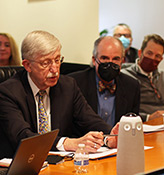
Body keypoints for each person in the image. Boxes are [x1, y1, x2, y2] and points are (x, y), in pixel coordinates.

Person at [0, 30, 118, 159]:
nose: (55, 70)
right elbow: (23, 137)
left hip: (60, 164)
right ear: (27, 65)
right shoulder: (8, 92)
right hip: (23, 163)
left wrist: (109, 136)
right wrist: (68, 143)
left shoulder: (67, 85)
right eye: (46, 63)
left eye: (57, 60)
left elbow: (89, 120)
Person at [69, 36, 140, 126]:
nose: (110, 63)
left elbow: (132, 124)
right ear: (94, 60)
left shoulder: (132, 86)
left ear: (122, 61)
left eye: (115, 59)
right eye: (104, 58)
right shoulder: (74, 84)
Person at [122, 34, 164, 121]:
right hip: (140, 124)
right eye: (149, 53)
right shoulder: (126, 76)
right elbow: (124, 109)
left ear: (161, 59)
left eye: (157, 56)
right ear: (140, 53)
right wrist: (148, 117)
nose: (152, 58)